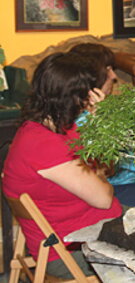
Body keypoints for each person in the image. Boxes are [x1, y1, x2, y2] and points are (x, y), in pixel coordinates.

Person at [2, 52, 122, 279]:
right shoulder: (43, 145)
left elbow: (105, 166)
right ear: (74, 97)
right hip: (71, 250)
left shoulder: (49, 128)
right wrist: (100, 178)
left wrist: (98, 123)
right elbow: (104, 198)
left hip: (89, 230)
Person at [68, 43, 135, 208]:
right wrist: (101, 118)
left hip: (132, 182)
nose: (114, 76)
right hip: (111, 190)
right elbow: (104, 166)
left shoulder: (106, 107)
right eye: (108, 69)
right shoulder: (78, 118)